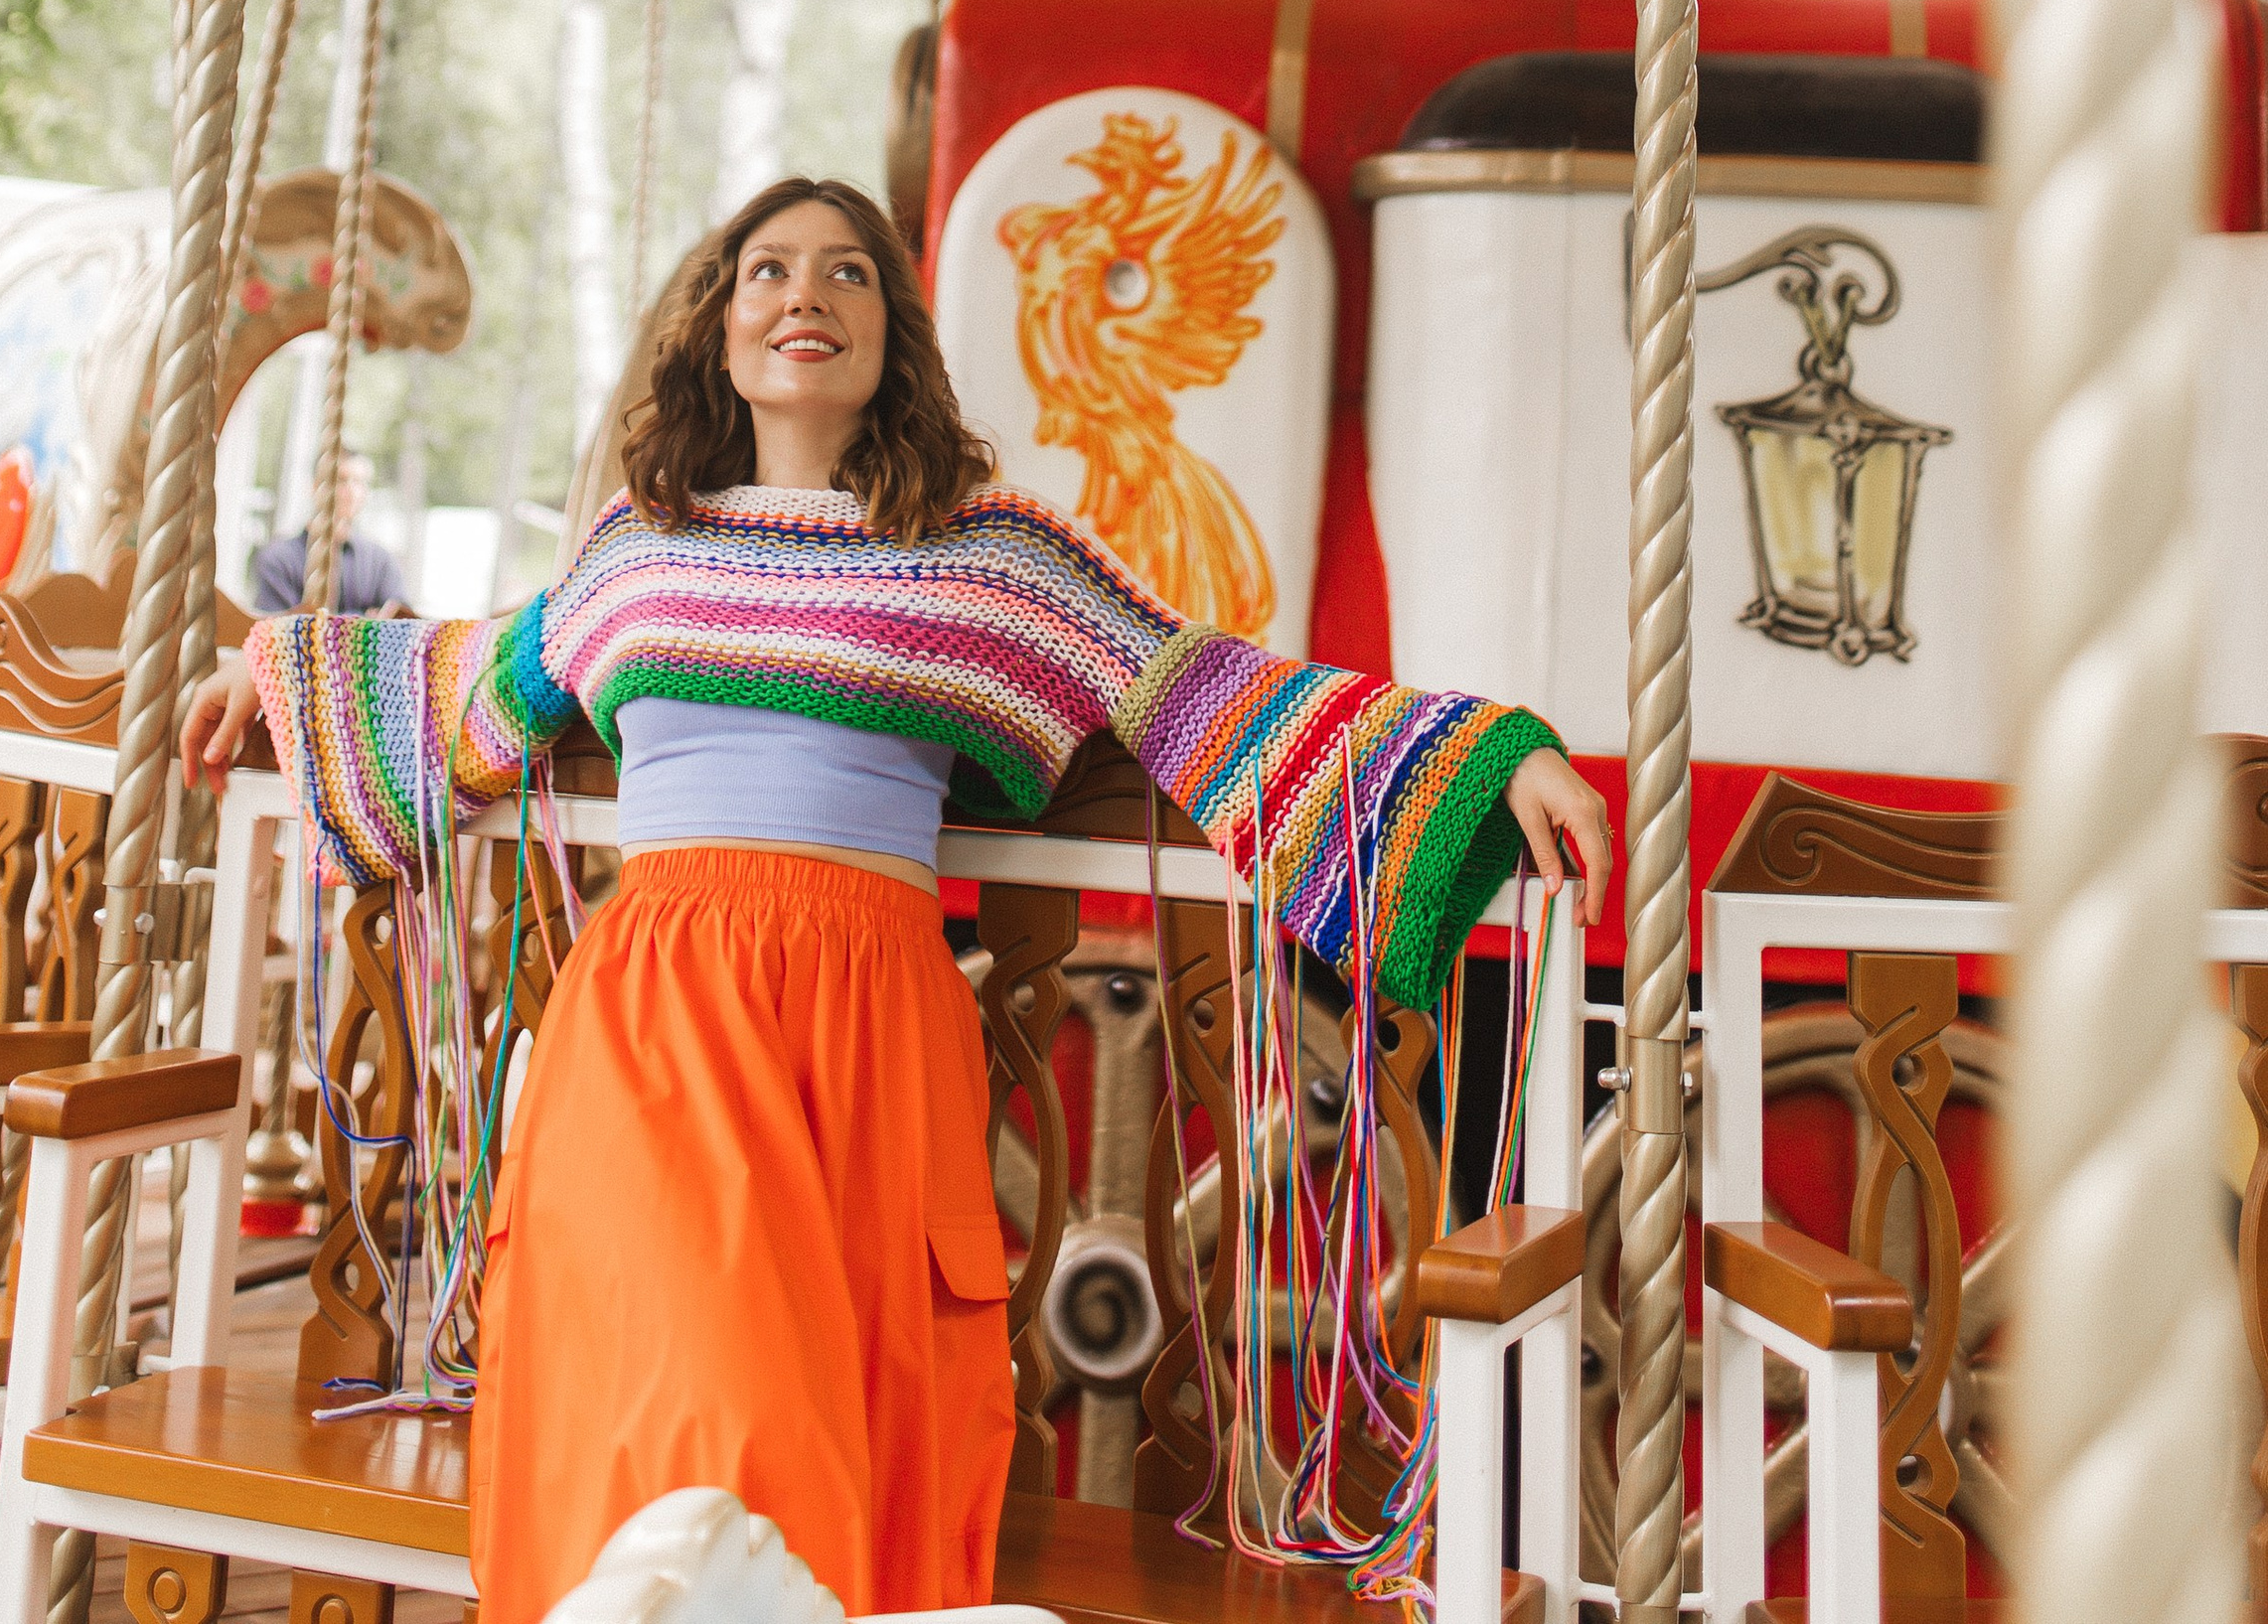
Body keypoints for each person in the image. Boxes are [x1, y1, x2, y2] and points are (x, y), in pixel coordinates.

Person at [185, 173, 1609, 1624]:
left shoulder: (994, 558)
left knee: (840, 1459)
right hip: (655, 1037)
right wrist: (281, 677)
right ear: (720, 332)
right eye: (769, 272)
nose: (807, 295)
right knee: (695, 1430)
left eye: (849, 274)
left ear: (894, 334)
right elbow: (459, 688)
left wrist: (1487, 761)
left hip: (871, 1034)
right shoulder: (637, 544)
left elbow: (1208, 697)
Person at [247, 449, 408, 615]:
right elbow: (280, 629)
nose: (352, 491)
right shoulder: (279, 559)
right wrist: (364, 620)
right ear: (316, 486)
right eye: (342, 480)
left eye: (360, 482)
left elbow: (398, 622)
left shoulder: (380, 562)